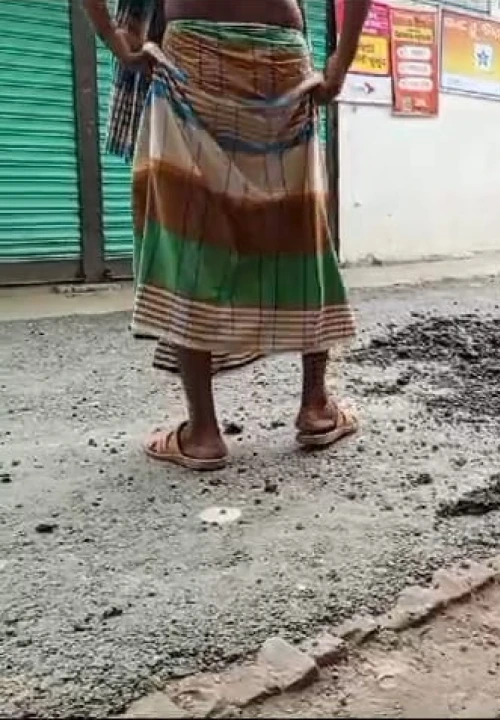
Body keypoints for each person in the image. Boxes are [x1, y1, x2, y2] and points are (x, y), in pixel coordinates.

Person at [80, 0, 370, 471]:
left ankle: (203, 432)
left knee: (186, 232)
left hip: (190, 50)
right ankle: (315, 405)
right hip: (279, 52)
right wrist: (338, 66)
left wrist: (118, 43)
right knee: (300, 224)